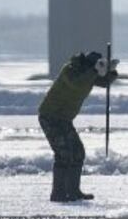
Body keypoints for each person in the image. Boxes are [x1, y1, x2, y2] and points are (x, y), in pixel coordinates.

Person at [37, 50, 118, 203]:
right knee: (64, 154)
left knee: (78, 152)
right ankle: (58, 194)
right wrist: (95, 70)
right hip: (51, 116)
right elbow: (77, 84)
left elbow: (104, 82)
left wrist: (111, 72)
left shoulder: (87, 73)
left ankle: (73, 191)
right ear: (86, 65)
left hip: (64, 118)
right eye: (92, 67)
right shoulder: (70, 70)